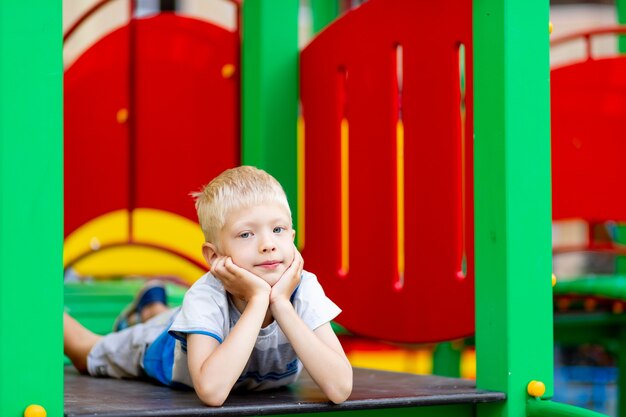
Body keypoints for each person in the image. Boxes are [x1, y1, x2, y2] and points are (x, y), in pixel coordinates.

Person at [64, 166, 353, 406]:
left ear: (291, 237)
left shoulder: (303, 289)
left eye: (277, 230)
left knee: (174, 318)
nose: (268, 245)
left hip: (198, 322)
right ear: (214, 257)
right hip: (161, 347)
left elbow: (340, 388)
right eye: (246, 234)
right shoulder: (205, 295)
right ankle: (39, 305)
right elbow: (213, 392)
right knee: (84, 352)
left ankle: (153, 306)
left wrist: (279, 303)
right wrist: (258, 301)